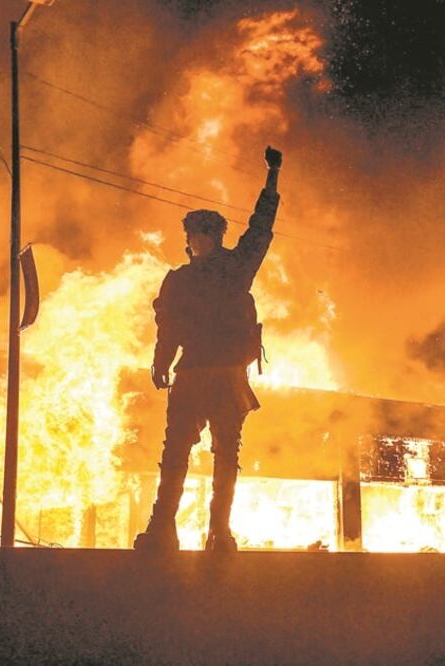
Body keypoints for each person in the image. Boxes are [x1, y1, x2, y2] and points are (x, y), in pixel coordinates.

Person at [134, 145, 282, 553]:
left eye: (195, 235)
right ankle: (205, 532)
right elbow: (169, 328)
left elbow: (261, 226)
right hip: (216, 374)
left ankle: (180, 530)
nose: (193, 242)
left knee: (185, 453)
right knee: (214, 455)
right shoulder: (232, 269)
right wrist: (161, 361)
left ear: (202, 237)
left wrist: (272, 177)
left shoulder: (186, 278)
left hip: (203, 374)